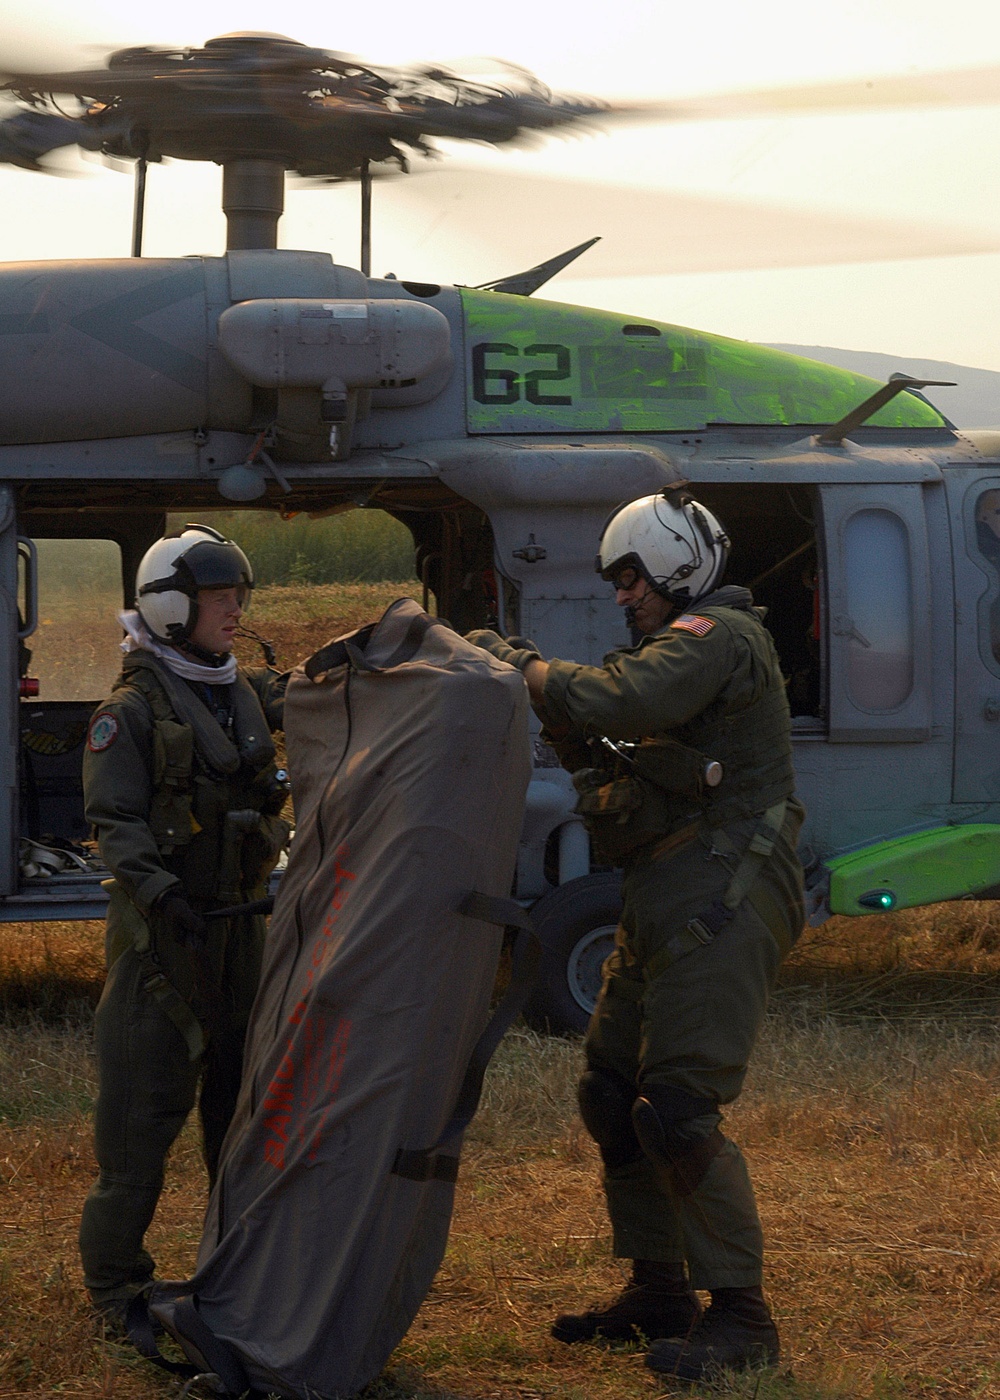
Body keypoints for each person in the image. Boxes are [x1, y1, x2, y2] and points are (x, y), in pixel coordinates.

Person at [467, 488, 805, 1382]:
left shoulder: (717, 640)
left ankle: (743, 1319)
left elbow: (619, 699)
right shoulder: (682, 656)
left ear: (678, 568)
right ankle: (661, 1289)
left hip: (723, 892)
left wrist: (527, 670)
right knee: (612, 1092)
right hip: (669, 893)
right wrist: (542, 696)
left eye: (631, 577)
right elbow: (611, 747)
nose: (623, 596)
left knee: (680, 1109)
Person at [79, 524, 290, 1329]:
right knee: (139, 1127)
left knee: (242, 1117)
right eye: (217, 598)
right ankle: (116, 1291)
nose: (234, 610)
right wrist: (162, 896)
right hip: (162, 946)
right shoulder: (128, 712)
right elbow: (115, 822)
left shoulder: (237, 691)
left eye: (238, 595)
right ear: (172, 608)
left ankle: (233, 1268)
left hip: (241, 933)